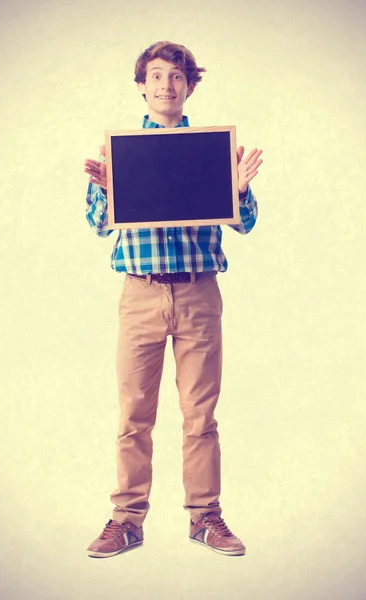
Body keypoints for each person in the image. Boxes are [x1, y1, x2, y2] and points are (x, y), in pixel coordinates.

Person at [84, 40, 263, 558]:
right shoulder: (119, 151)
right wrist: (103, 188)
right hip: (139, 294)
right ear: (142, 85)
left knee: (200, 415)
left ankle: (205, 517)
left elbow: (245, 223)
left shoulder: (211, 148)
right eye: (157, 75)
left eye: (177, 77)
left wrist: (240, 189)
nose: (166, 84)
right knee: (133, 415)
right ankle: (126, 520)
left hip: (198, 291)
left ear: (189, 86)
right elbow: (98, 226)